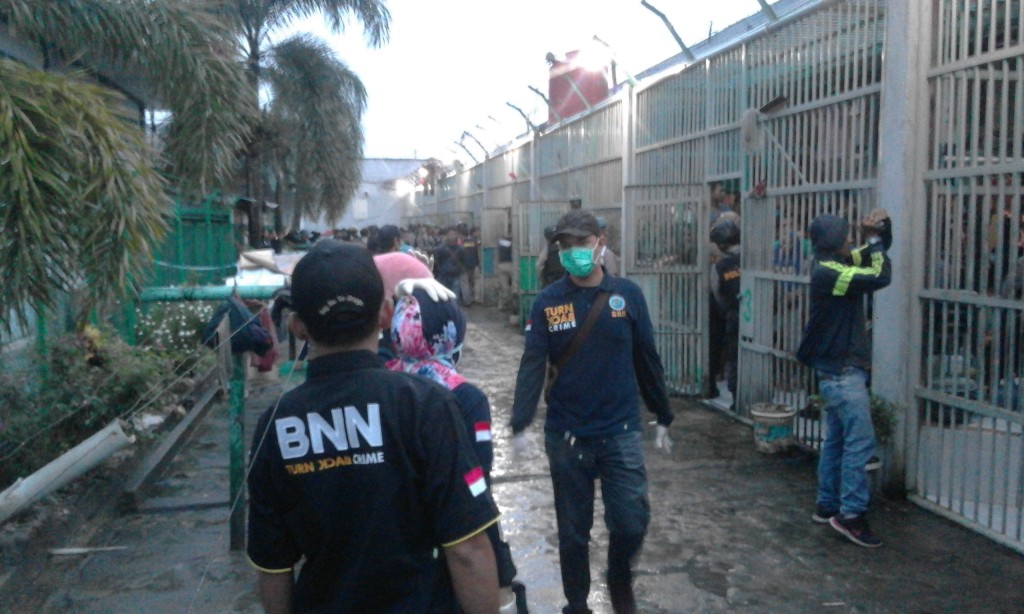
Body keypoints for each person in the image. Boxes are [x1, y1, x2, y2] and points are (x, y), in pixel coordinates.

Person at [246, 240, 500, 613]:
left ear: (297, 327)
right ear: (385, 315)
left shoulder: (276, 424)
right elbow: (467, 548)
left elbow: (273, 565)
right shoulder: (425, 405)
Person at [509, 210, 675, 614]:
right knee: (573, 533)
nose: (574, 252)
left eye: (581, 243)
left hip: (621, 430)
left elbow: (646, 357)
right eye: (566, 246)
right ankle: (577, 603)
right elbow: (533, 362)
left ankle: (618, 577)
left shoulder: (627, 295)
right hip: (567, 434)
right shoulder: (548, 302)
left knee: (631, 521)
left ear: (599, 242)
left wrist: (662, 413)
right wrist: (520, 422)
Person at [387, 288, 529, 613]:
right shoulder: (467, 398)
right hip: (452, 535)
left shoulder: (384, 383)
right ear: (451, 332)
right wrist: (498, 560)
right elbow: (479, 478)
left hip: (395, 536)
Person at [797, 209, 892, 549]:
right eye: (847, 236)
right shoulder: (831, 272)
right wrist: (874, 241)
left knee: (836, 440)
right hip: (842, 371)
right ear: (835, 241)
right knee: (860, 443)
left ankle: (827, 505)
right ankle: (850, 515)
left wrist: (879, 232)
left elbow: (875, 254)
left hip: (835, 371)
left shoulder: (831, 263)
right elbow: (879, 275)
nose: (851, 240)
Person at [709, 219, 741, 409]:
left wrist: (730, 308)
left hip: (733, 316)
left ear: (721, 245)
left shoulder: (719, 267)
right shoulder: (753, 259)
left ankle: (738, 400)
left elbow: (717, 294)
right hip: (758, 317)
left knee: (734, 358)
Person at [433, 227, 466, 302]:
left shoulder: (461, 249)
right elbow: (437, 261)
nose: (452, 236)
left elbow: (463, 261)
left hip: (455, 276)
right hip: (443, 276)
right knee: (442, 297)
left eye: (454, 234)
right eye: (450, 234)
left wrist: (459, 271)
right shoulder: (440, 248)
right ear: (447, 235)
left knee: (454, 298)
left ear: (456, 235)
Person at [537, 225, 566, 289]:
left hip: (551, 282)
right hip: (565, 282)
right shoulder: (565, 246)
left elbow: (539, 266)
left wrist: (542, 281)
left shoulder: (547, 249)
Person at [460, 227, 483, 306]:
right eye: (477, 232)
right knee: (472, 281)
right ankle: (474, 298)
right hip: (472, 264)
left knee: (467, 282)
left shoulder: (463, 243)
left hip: (465, 264)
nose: (479, 233)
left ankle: (468, 299)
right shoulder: (475, 242)